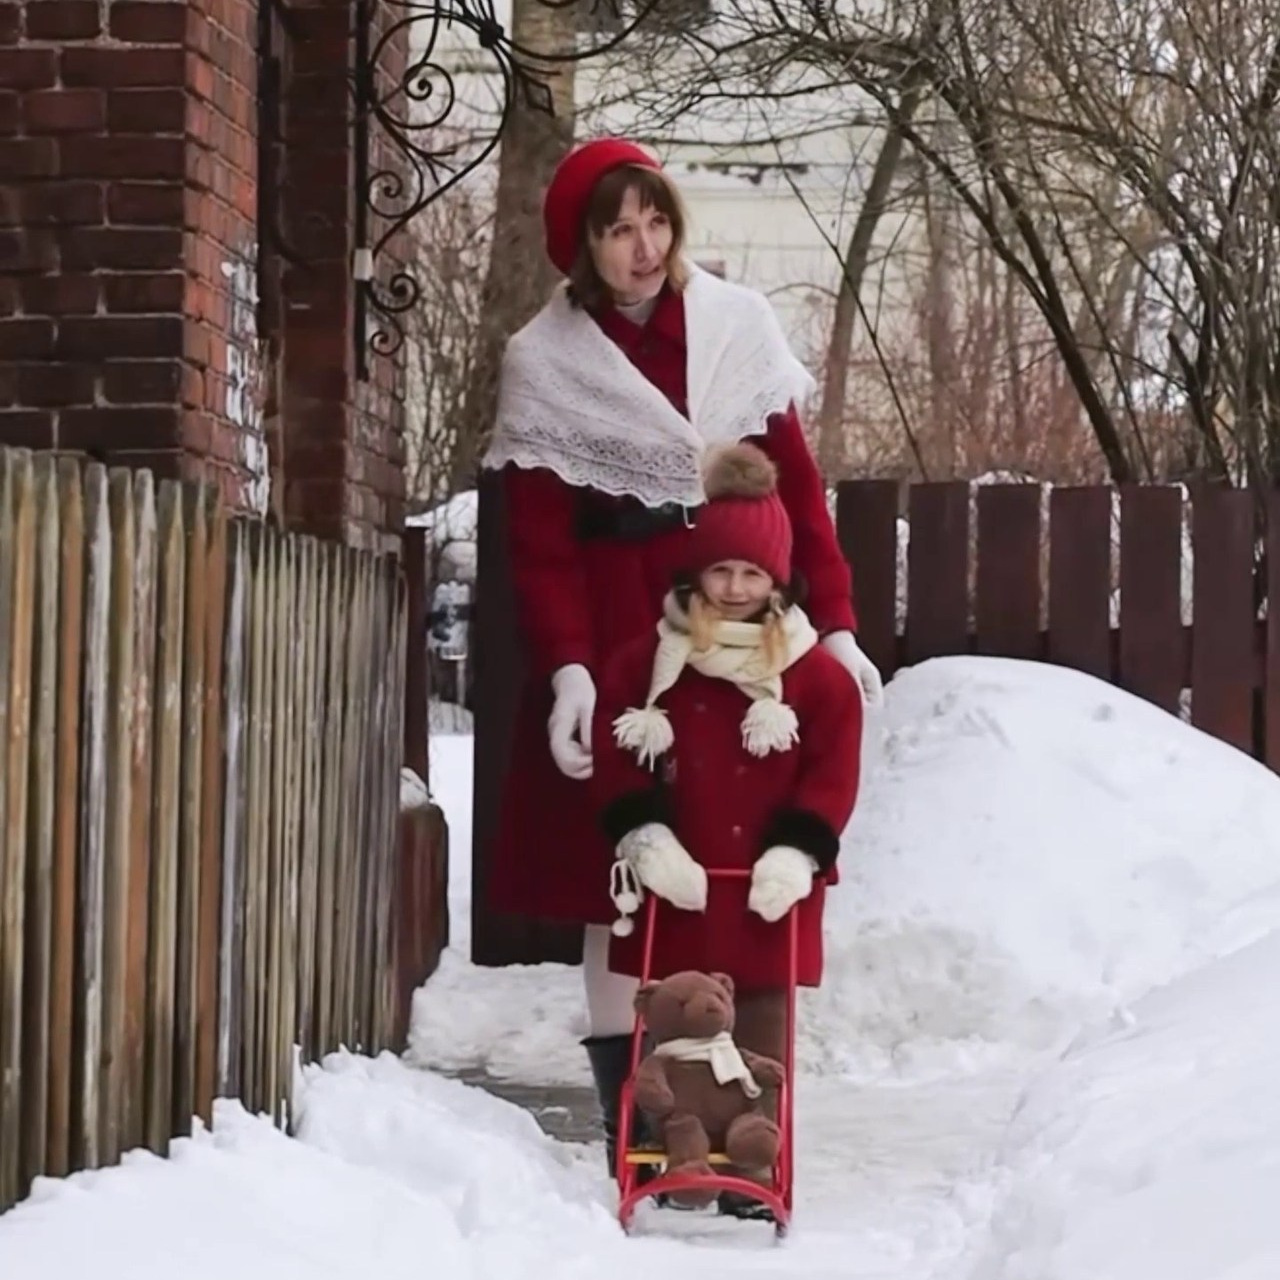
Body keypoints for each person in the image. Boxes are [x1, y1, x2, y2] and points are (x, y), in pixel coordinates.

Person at [479, 136, 882, 1186]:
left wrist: (830, 621)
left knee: (723, 865)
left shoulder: (735, 327)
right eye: (616, 229)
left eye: (654, 219)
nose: (642, 245)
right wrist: (569, 665)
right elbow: (541, 543)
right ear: (581, 247)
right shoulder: (544, 358)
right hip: (620, 636)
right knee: (619, 878)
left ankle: (741, 1103)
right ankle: (639, 1113)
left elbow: (796, 489)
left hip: (730, 625)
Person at [590, 442, 864, 1216]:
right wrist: (643, 835)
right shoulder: (647, 663)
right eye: (720, 572)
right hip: (679, 882)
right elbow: (620, 756)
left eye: (752, 574)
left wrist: (799, 848)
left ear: (776, 580)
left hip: (764, 892)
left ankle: (752, 1163)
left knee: (759, 1038)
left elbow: (834, 769)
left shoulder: (815, 674)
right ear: (695, 574)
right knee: (674, 1032)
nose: (735, 588)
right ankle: (671, 1154)